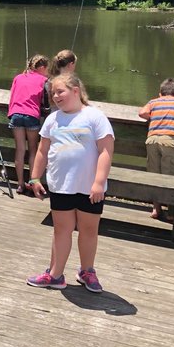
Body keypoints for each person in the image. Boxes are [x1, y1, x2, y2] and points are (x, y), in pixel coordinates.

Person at [26, 74, 114, 293]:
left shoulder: (94, 116)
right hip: (60, 186)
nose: (55, 96)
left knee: (88, 230)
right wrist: (35, 177)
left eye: (60, 91)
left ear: (76, 90)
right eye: (52, 93)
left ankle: (87, 271)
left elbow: (105, 151)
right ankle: (55, 274)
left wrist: (98, 182)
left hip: (89, 188)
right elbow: (42, 150)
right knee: (61, 230)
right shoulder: (52, 119)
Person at [138, 78, 174, 221]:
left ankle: (156, 209)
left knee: (154, 176)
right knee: (170, 177)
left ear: (160, 94)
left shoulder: (153, 102)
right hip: (169, 139)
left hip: (152, 139)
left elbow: (142, 113)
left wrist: (154, 117)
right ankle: (171, 212)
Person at [8, 54, 49, 194]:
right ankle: (33, 183)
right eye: (47, 69)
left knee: (20, 149)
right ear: (42, 67)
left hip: (16, 114)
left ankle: (20, 184)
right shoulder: (44, 80)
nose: (47, 72)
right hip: (32, 115)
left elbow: (12, 96)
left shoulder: (18, 77)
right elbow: (45, 101)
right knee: (33, 149)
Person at [42, 49, 77, 116]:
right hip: (67, 115)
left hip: (53, 114)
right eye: (74, 64)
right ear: (71, 64)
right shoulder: (70, 81)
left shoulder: (50, 79)